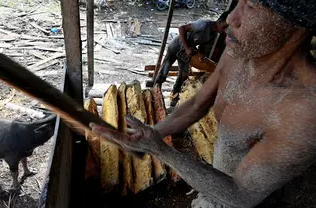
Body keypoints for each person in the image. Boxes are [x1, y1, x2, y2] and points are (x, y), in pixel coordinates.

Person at [90, 0, 316, 207]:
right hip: (213, 184)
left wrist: (158, 149)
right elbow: (198, 103)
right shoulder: (238, 52)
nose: (230, 19)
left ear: (296, 27)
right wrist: (152, 134)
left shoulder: (305, 109)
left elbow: (242, 194)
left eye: (252, 7)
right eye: (240, 1)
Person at [155, 12, 229, 106]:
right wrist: (186, 48)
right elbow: (182, 28)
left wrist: (200, 55)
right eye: (224, 26)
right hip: (177, 45)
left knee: (183, 75)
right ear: (219, 21)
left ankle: (173, 98)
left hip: (186, 52)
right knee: (164, 70)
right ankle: (155, 94)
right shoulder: (203, 24)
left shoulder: (213, 35)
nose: (225, 30)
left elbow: (201, 47)